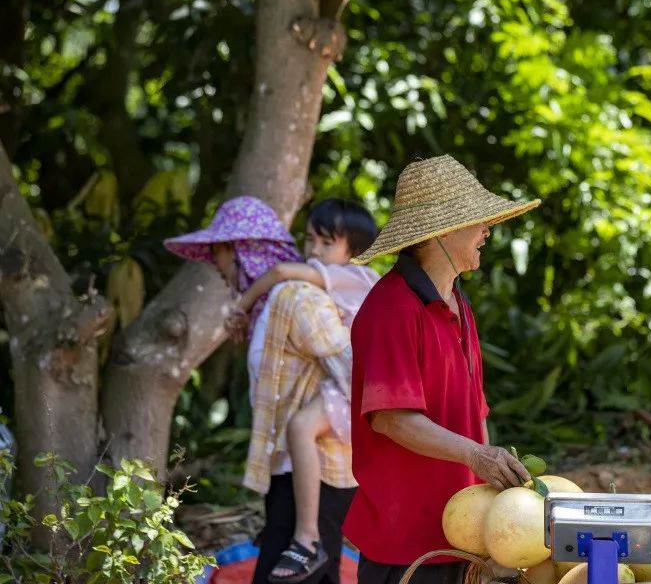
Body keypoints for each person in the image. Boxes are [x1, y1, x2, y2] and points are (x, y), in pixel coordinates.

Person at [342, 154, 540, 584]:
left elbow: (476, 415)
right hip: (405, 540)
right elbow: (391, 419)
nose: (488, 230)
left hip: (460, 531)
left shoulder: (458, 302)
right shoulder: (390, 307)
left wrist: (494, 505)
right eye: (478, 221)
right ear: (442, 232)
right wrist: (476, 455)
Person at [165, 196, 357, 584]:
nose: (216, 267)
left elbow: (356, 368)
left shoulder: (295, 298)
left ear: (240, 251)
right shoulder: (270, 305)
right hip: (295, 469)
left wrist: (320, 418)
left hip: (320, 469)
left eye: (218, 253)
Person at [225, 198, 380, 583]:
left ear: (354, 252)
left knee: (299, 428)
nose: (313, 252)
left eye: (326, 243)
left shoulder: (351, 277)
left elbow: (280, 270)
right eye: (310, 239)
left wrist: (241, 306)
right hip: (349, 389)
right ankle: (306, 536)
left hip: (356, 387)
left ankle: (306, 536)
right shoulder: (330, 280)